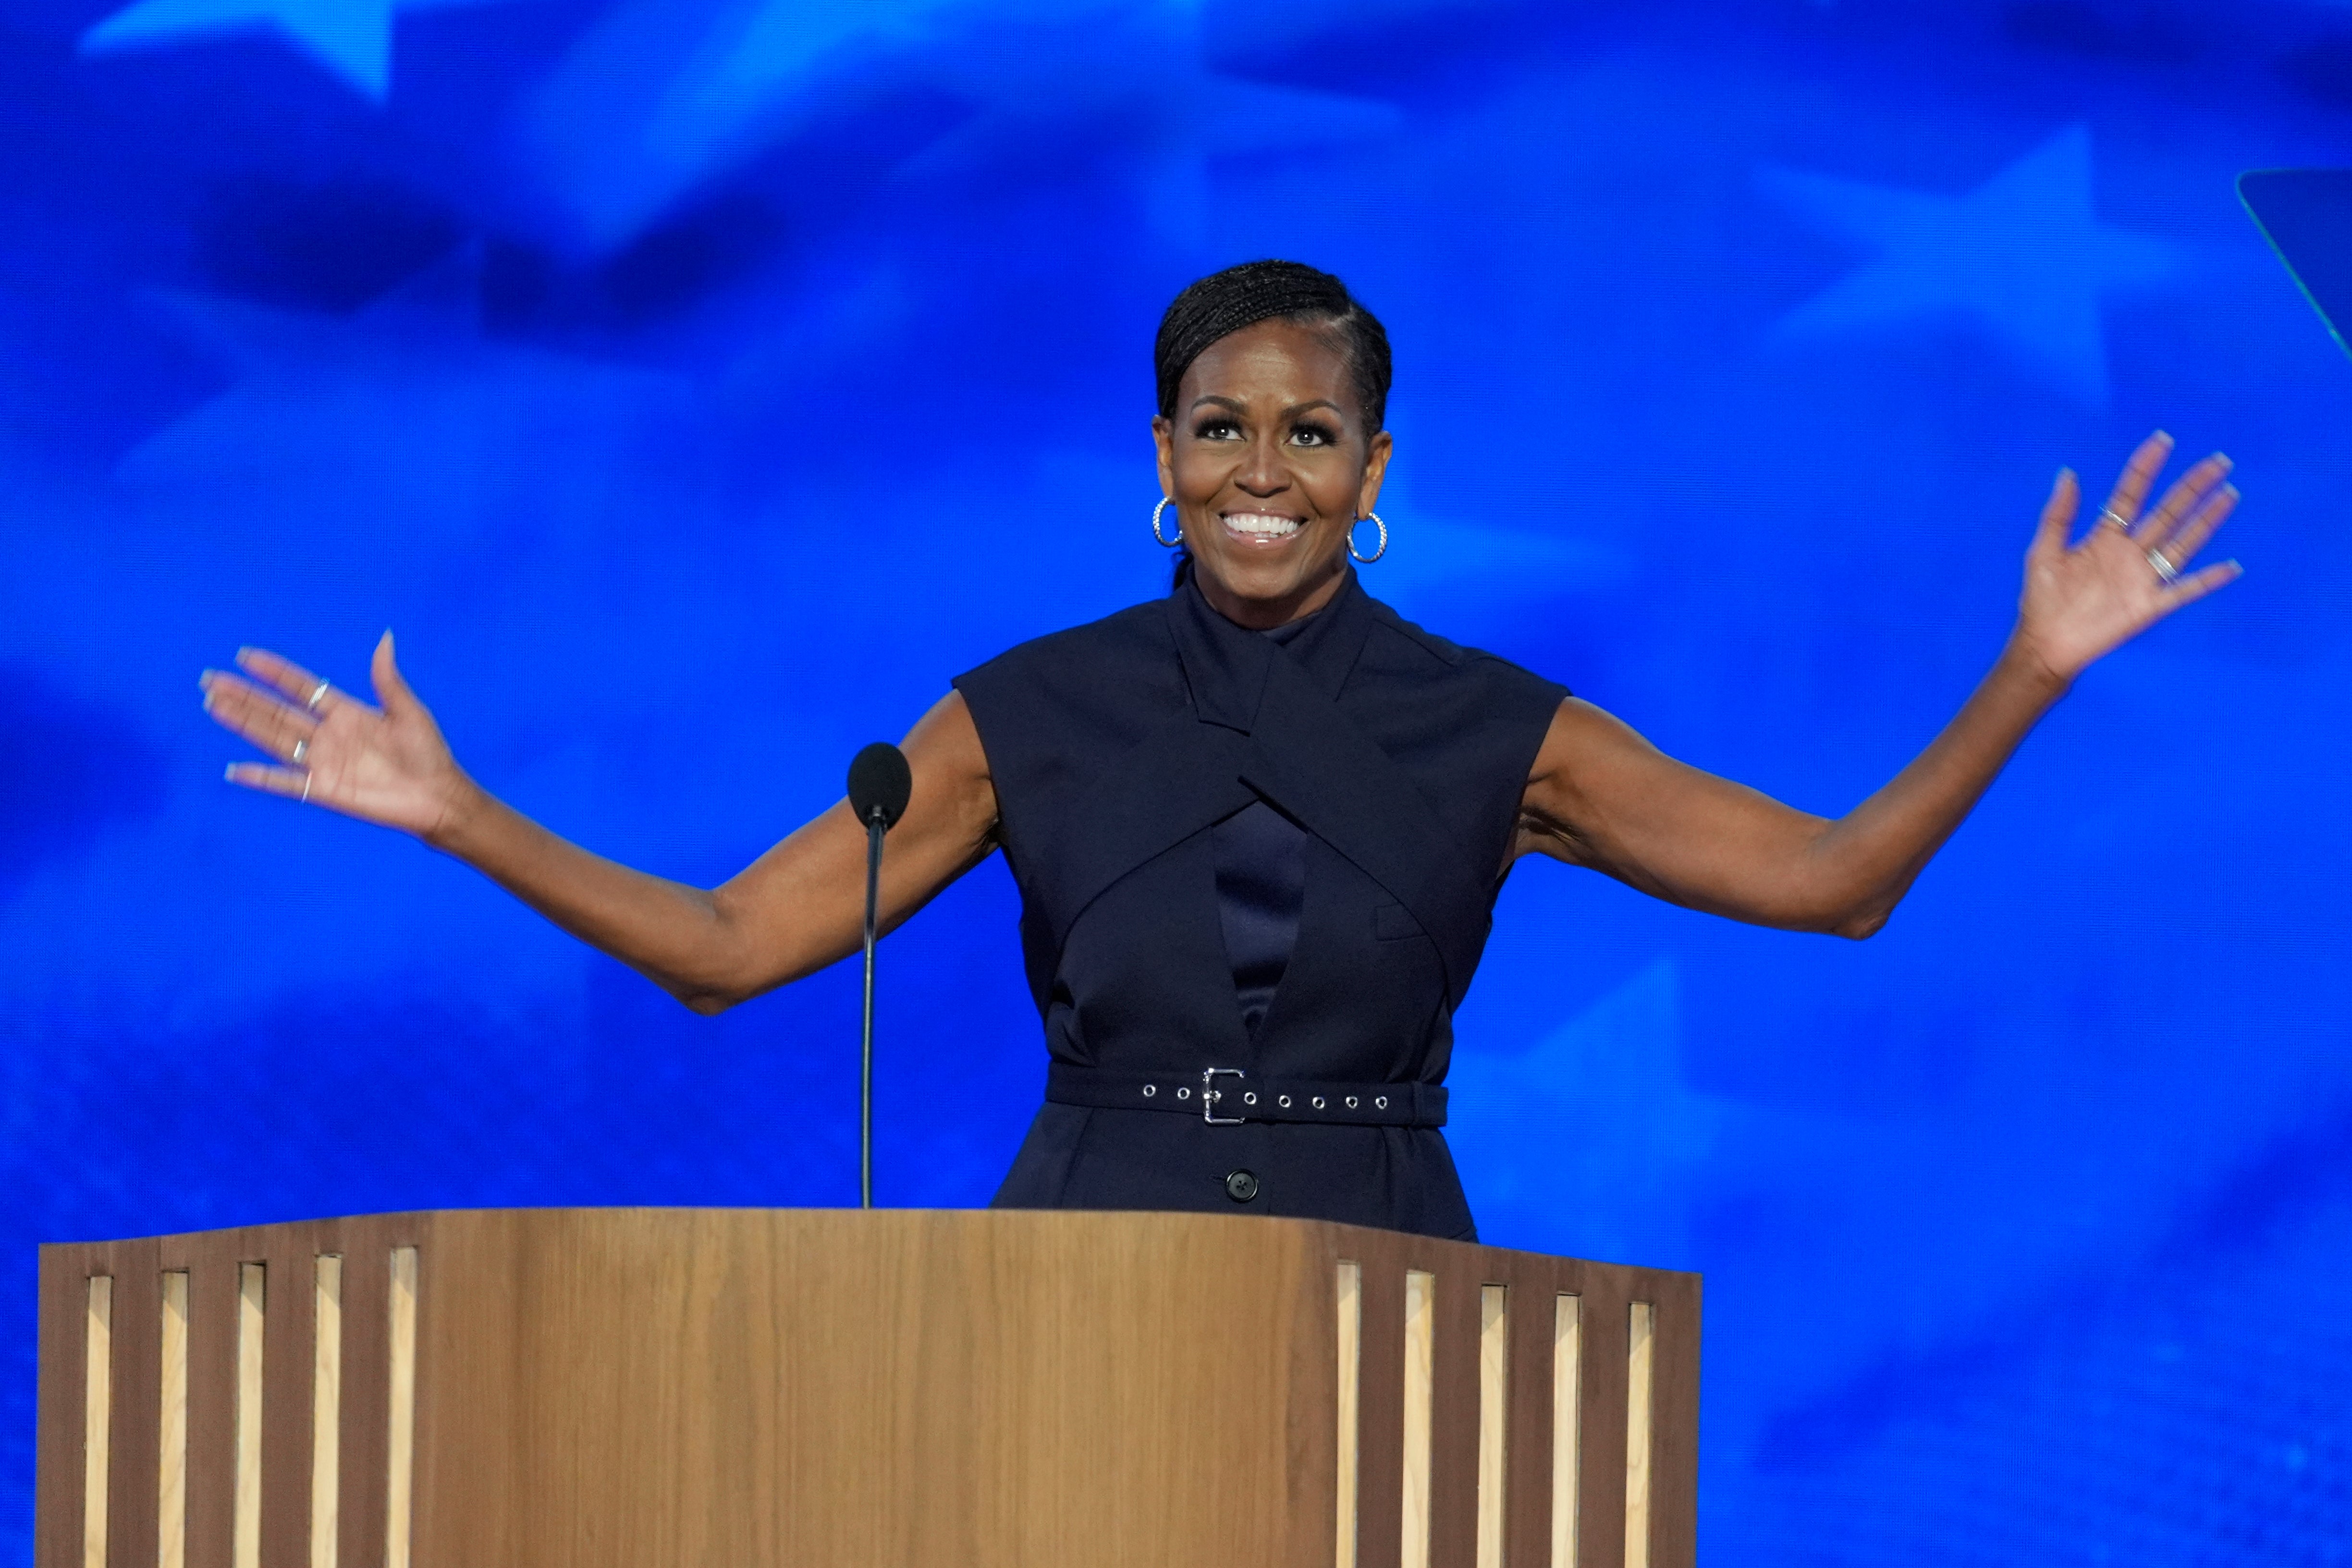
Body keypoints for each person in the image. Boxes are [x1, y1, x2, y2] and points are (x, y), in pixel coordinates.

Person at [199, 260, 2241, 1241]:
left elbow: (1835, 886)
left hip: (1394, 1280)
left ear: (1374, 474)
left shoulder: (1495, 728)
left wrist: (2031, 665)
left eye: (1309, 433)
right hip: (1082, 1264)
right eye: (1220, 430)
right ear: (1162, 464)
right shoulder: (1025, 712)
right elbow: (733, 944)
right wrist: (461, 813)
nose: (1263, 469)